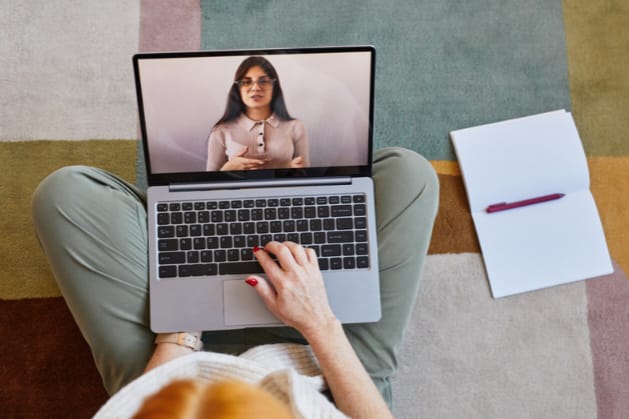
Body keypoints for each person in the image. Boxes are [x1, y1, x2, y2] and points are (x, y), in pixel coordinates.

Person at [32, 147, 439, 418]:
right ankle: (187, 217)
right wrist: (320, 323)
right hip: (326, 371)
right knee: (408, 174)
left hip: (174, 378)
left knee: (66, 193)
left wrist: (181, 330)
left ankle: (178, 216)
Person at [206, 56, 309, 171]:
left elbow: (307, 179)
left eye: (264, 81)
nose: (255, 88)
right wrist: (228, 170)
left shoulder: (295, 126)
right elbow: (209, 187)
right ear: (237, 89)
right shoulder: (221, 131)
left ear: (274, 87)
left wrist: (296, 170)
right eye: (246, 82)